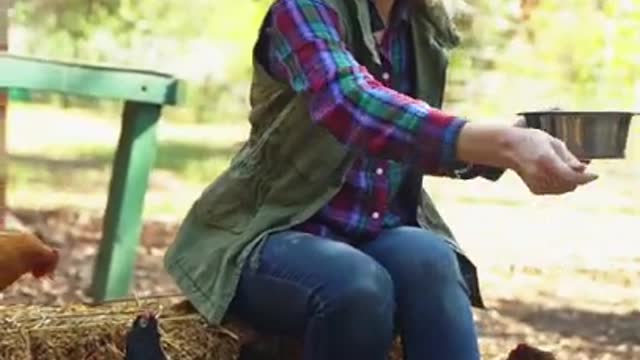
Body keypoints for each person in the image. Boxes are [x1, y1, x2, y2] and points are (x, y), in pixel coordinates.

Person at [164, 0, 598, 359]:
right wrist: (499, 143)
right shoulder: (304, 10)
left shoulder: (420, 24)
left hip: (370, 229)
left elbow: (405, 138)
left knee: (433, 260)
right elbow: (350, 105)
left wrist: (515, 140)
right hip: (269, 231)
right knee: (357, 285)